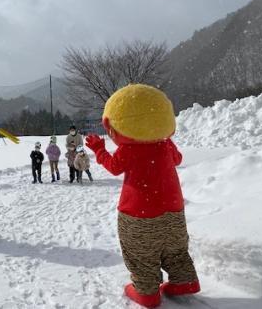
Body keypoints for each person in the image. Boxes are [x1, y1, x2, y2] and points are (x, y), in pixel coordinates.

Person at [85, 84, 200, 308]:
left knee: (140, 252)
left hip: (139, 213)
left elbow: (113, 167)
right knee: (175, 248)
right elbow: (177, 159)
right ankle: (185, 281)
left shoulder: (130, 149)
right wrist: (163, 136)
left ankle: (146, 291)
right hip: (174, 210)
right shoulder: (164, 145)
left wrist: (99, 149)